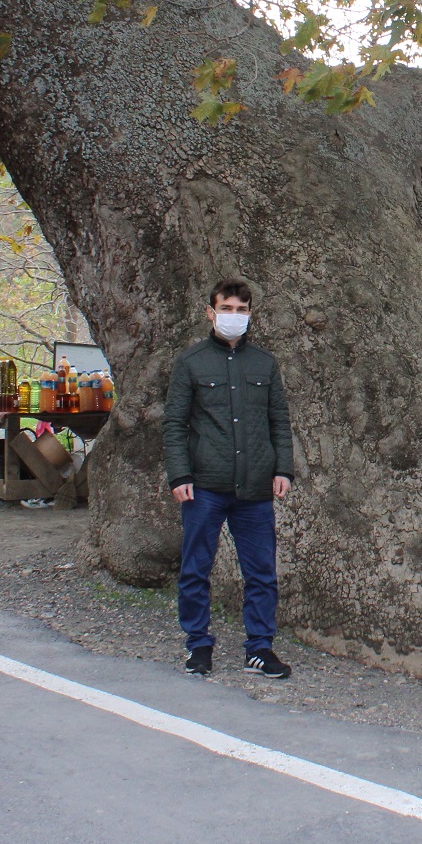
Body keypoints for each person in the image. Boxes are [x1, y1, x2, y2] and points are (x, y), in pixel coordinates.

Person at [164, 278, 295, 680]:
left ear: (251, 312)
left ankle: (259, 648)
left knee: (261, 571)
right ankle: (198, 645)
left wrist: (283, 468)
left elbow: (279, 421)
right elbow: (174, 425)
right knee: (196, 568)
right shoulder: (191, 362)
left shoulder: (264, 364)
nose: (234, 316)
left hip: (255, 487)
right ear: (210, 311)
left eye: (242, 310)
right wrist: (179, 474)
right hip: (205, 484)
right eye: (227, 309)